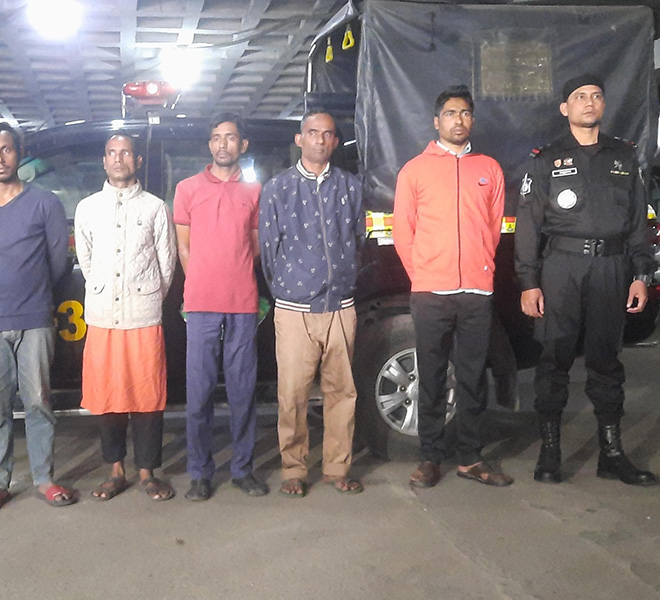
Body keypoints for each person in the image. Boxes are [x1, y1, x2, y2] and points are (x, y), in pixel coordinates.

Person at [516, 74, 658, 486]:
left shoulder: (624, 157)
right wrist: (528, 281)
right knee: (554, 359)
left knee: (607, 361)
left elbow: (638, 222)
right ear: (565, 108)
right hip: (561, 268)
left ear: (604, 105)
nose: (589, 102)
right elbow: (528, 225)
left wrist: (641, 274)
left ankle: (611, 454)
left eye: (596, 96)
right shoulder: (546, 159)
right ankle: (550, 452)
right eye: (580, 97)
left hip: (611, 269)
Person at [0, 122, 76, 513]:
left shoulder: (44, 203)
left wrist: (34, 293)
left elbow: (58, 262)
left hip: (35, 318)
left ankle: (45, 479)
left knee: (39, 401)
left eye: (6, 149)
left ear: (18, 154)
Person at [393, 85, 512, 489]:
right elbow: (403, 231)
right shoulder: (414, 171)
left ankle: (470, 458)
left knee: (473, 377)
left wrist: (480, 267)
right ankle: (430, 457)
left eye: (464, 113)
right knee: (431, 375)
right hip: (430, 292)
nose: (457, 120)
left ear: (472, 120)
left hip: (476, 292)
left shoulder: (489, 168)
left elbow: (493, 228)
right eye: (450, 113)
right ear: (436, 121)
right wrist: (423, 274)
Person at [259, 110, 365, 497]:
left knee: (342, 393)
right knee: (293, 394)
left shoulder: (351, 187)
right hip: (294, 311)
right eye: (312, 133)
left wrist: (342, 279)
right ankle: (294, 468)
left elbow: (358, 239)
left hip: (341, 307)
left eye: (328, 134)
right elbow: (268, 251)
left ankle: (337, 467)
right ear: (299, 139)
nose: (320, 140)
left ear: (335, 142)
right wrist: (290, 288)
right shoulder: (278, 188)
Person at [76, 133, 177, 502]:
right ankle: (115, 470)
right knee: (108, 395)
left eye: (126, 153)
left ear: (138, 161)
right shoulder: (88, 208)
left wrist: (144, 297)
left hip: (143, 316)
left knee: (147, 395)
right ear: (104, 161)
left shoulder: (155, 208)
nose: (118, 159)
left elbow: (167, 264)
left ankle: (148, 471)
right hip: (103, 316)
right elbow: (86, 261)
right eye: (112, 153)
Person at [174, 114, 269, 501]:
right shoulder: (187, 189)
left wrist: (234, 272)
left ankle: (243, 469)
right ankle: (200, 472)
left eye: (230, 138)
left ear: (242, 145)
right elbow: (183, 247)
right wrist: (202, 280)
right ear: (210, 144)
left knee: (243, 391)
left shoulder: (254, 191)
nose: (223, 144)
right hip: (200, 305)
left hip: (243, 303)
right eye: (216, 138)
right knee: (199, 394)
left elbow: (255, 245)